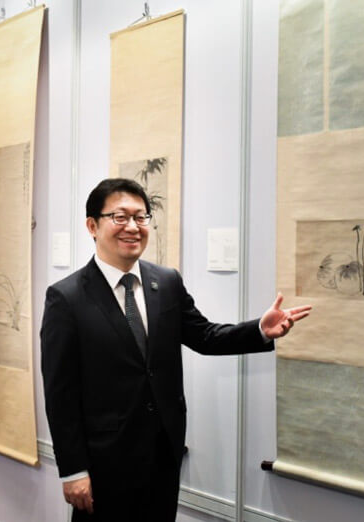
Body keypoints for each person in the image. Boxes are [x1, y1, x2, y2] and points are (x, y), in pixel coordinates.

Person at [40, 178, 311, 521]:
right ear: (92, 226)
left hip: (163, 451)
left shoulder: (166, 282)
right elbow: (60, 393)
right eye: (120, 217)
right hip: (104, 460)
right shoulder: (66, 298)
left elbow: (205, 336)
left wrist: (259, 330)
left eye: (141, 217)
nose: (133, 227)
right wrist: (73, 469)